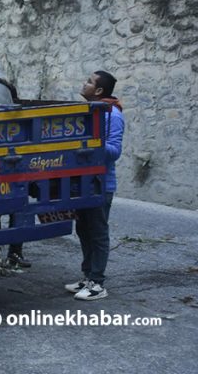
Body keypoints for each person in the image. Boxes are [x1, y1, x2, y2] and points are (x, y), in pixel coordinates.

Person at [65, 70, 124, 301]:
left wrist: (87, 144)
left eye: (89, 82)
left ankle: (98, 283)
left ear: (99, 91)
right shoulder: (89, 111)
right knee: (83, 230)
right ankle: (88, 277)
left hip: (101, 183)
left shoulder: (113, 115)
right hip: (84, 182)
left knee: (98, 233)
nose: (84, 83)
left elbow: (114, 151)